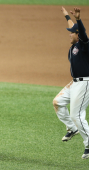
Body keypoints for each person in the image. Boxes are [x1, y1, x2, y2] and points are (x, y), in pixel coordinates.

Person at [53, 7, 89, 159]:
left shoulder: (83, 45)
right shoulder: (74, 43)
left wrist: (79, 19)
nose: (69, 34)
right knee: (57, 102)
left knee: (77, 114)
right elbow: (72, 26)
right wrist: (67, 15)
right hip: (74, 83)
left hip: (85, 83)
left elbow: (82, 32)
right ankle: (72, 128)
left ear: (78, 35)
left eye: (72, 33)